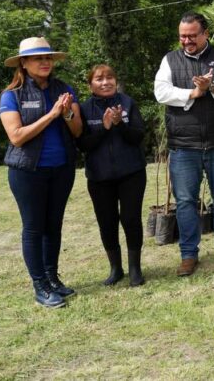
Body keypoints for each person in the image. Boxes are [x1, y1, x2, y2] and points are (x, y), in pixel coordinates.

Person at [154, 12, 214, 276]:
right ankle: (188, 255)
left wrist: (213, 86)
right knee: (185, 201)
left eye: (192, 36)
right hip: (184, 146)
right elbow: (161, 92)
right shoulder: (170, 59)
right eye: (182, 36)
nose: (187, 41)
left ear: (204, 33)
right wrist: (193, 92)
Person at [0, 37, 82, 308]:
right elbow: (16, 136)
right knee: (34, 228)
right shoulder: (12, 95)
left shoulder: (64, 89)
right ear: (24, 63)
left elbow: (77, 130)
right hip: (28, 172)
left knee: (53, 226)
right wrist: (52, 114)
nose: (45, 62)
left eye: (48, 58)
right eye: (38, 58)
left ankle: (52, 278)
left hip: (62, 169)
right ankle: (40, 286)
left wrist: (67, 113)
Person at [77, 64, 147, 287]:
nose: (105, 82)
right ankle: (116, 269)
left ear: (115, 81)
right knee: (107, 222)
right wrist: (104, 127)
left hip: (131, 172)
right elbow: (83, 144)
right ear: (90, 85)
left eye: (109, 78)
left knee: (131, 219)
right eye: (99, 79)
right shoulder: (84, 109)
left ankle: (135, 269)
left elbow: (138, 137)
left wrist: (120, 125)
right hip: (99, 177)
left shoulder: (127, 103)